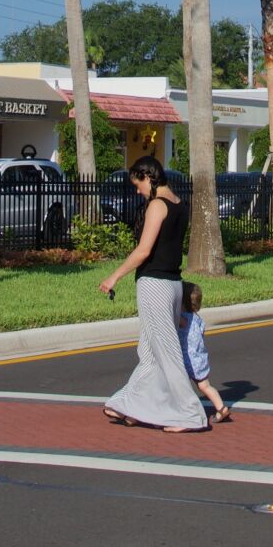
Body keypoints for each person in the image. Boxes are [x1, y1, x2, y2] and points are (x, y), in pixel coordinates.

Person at [98, 155, 208, 432]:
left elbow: (143, 251)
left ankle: (191, 414)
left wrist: (114, 276)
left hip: (154, 285)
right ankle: (129, 405)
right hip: (172, 284)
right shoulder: (180, 204)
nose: (138, 191)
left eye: (138, 185)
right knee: (149, 352)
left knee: (166, 352)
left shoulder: (157, 205)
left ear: (148, 177)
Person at [178, 281, 232, 423]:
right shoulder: (198, 320)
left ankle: (186, 411)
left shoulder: (183, 319)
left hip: (187, 360)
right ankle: (221, 408)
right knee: (205, 386)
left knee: (181, 386)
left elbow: (174, 319)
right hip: (200, 359)